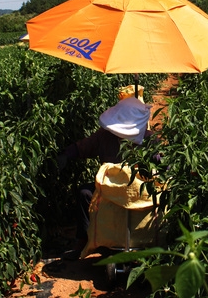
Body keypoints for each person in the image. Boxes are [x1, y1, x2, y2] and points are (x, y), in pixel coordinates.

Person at [57, 93, 152, 260]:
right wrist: (66, 154)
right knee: (85, 194)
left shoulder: (149, 140)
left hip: (138, 191)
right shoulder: (105, 137)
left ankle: (150, 239)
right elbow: (83, 147)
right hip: (109, 190)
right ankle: (83, 240)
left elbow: (165, 162)